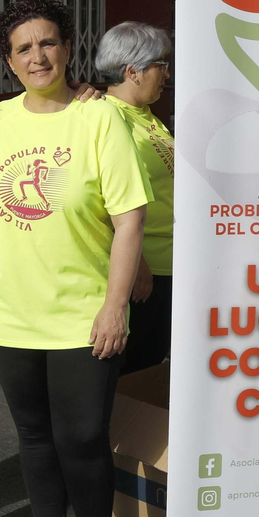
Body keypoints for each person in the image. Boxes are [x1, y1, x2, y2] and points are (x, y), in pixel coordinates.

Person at [0, 0, 148, 517]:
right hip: (7, 313)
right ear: (8, 59)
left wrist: (115, 304)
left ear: (68, 47)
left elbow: (130, 218)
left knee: (83, 435)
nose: (37, 55)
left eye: (48, 42)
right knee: (34, 437)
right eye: (23, 48)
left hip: (83, 313)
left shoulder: (100, 119)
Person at [95, 21, 174, 375]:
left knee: (153, 365)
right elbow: (105, 200)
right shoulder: (110, 117)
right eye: (161, 65)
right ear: (134, 71)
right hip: (146, 270)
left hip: (169, 265)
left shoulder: (146, 117)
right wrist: (138, 262)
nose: (167, 74)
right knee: (136, 373)